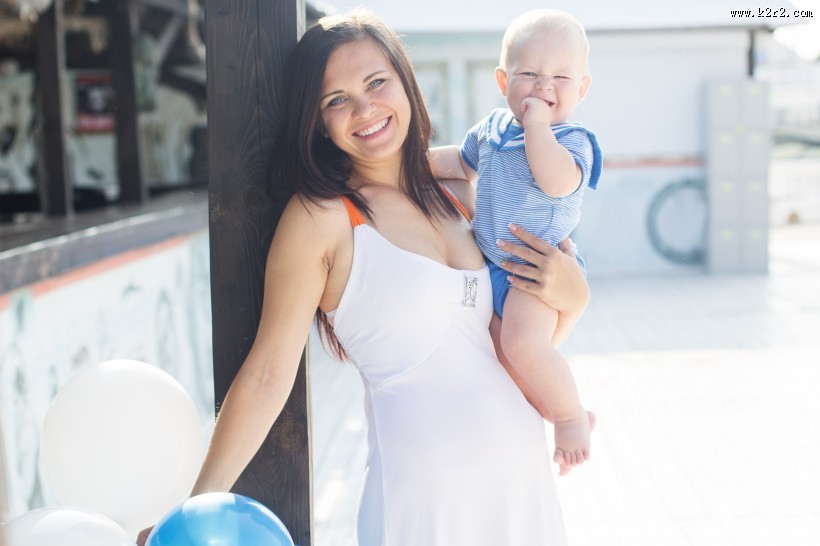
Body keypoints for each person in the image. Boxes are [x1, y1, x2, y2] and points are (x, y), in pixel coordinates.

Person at [138, 9, 590, 546]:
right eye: (336, 99)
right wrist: (193, 511)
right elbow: (266, 375)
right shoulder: (322, 217)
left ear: (405, 82)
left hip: (521, 487)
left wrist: (575, 300)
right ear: (316, 119)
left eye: (377, 82)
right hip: (423, 505)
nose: (365, 108)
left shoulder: (458, 197)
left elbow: (508, 351)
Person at [429, 8, 601, 472]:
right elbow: (459, 164)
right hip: (491, 266)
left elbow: (557, 182)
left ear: (581, 89)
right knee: (509, 366)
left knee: (525, 348)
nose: (545, 86)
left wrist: (538, 129)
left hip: (535, 271)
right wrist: (413, 164)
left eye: (561, 77)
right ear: (503, 81)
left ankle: (567, 417)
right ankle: (563, 411)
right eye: (529, 73)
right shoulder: (491, 130)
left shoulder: (572, 139)